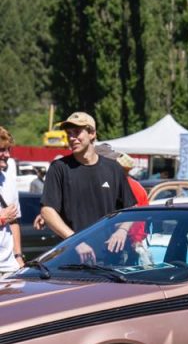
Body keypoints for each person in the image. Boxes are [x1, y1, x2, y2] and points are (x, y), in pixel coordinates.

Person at [40, 112, 136, 263]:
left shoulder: (113, 168)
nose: (72, 138)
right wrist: (75, 241)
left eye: (77, 132)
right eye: (69, 133)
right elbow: (47, 211)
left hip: (111, 259)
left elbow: (130, 207)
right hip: (71, 259)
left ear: (92, 133)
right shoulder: (59, 168)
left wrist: (122, 231)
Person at [0, 127, 24, 278]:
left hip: (10, 268)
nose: (7, 155)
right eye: (2, 150)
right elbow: (6, 218)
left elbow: (14, 221)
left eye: (8, 150)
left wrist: (18, 257)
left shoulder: (8, 180)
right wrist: (2, 218)